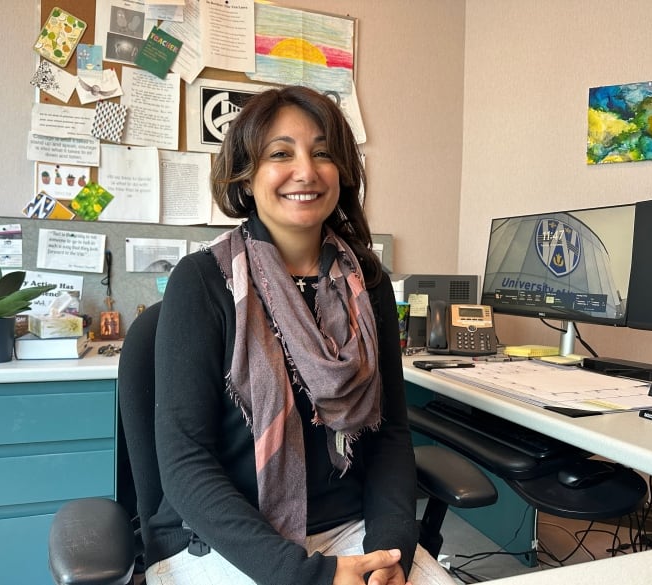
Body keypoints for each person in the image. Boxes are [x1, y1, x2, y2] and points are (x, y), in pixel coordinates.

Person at [151, 85, 453, 585]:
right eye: (280, 154)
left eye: (322, 153)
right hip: (226, 541)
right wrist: (304, 576)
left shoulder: (368, 284)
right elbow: (185, 464)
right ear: (246, 176)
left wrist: (390, 551)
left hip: (349, 532)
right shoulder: (202, 282)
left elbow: (390, 436)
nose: (306, 172)